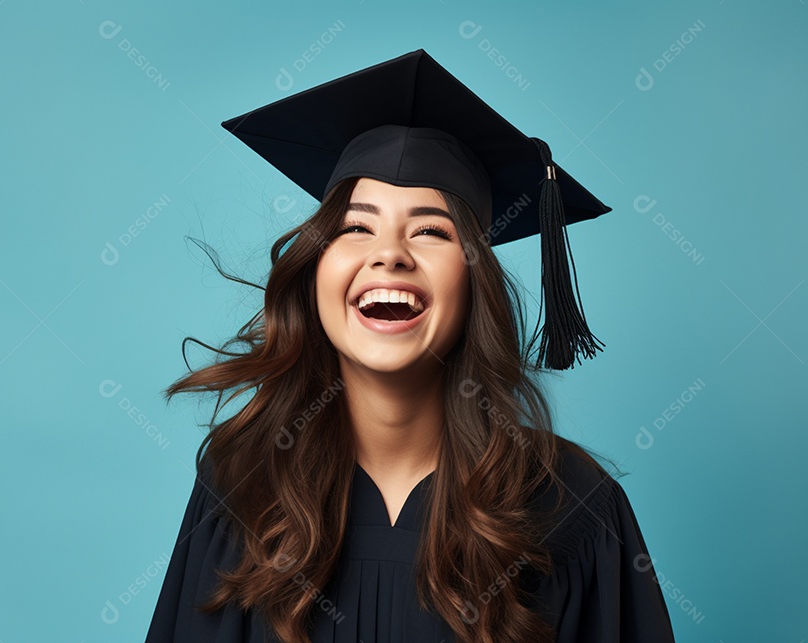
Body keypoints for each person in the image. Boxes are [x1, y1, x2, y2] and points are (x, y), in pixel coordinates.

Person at [145, 49, 676, 643]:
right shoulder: (242, 485)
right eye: (355, 227)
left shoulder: (573, 508)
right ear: (316, 268)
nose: (389, 253)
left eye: (430, 230)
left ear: (476, 281)